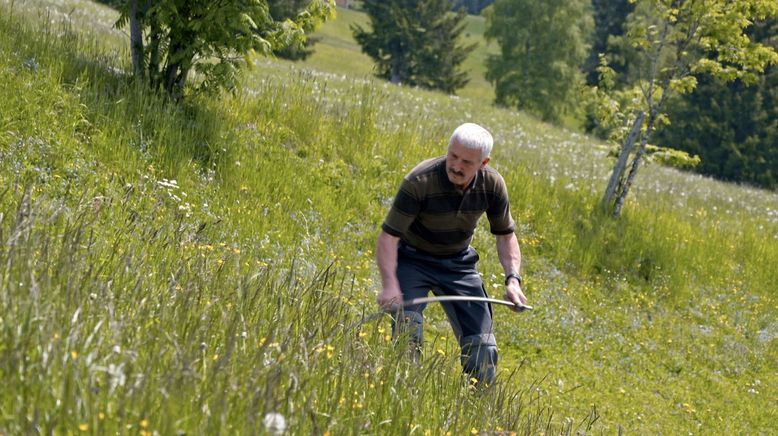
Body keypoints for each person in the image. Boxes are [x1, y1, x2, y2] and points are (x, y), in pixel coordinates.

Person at [375, 122, 527, 386]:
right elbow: (389, 237)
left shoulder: (492, 185)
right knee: (406, 332)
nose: (456, 166)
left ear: (483, 162)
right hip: (412, 260)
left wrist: (513, 281)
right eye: (452, 156)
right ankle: (404, 395)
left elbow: (506, 235)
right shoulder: (419, 181)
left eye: (466, 162)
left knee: (483, 350)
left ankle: (479, 411)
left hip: (458, 265)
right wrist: (390, 285)